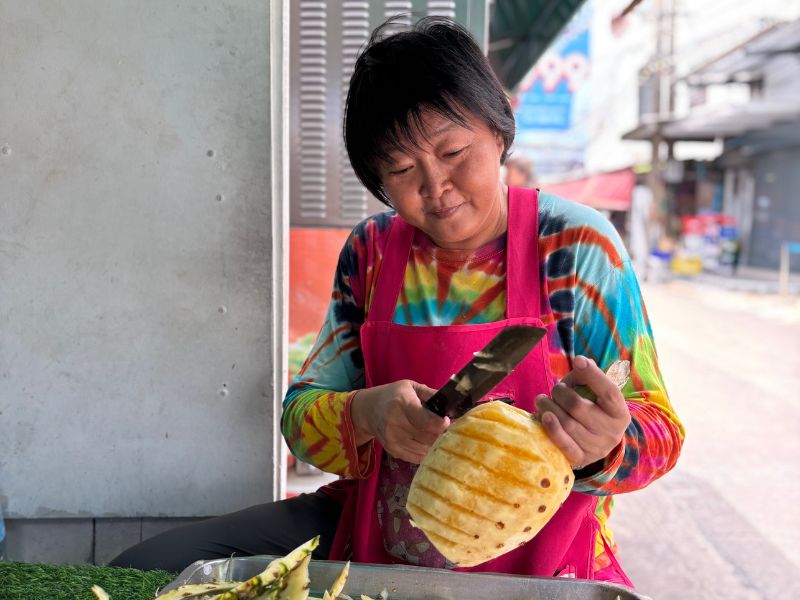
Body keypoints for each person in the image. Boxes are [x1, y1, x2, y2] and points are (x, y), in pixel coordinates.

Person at [111, 17, 684, 585]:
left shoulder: (576, 247)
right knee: (147, 569)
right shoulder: (373, 251)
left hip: (545, 562)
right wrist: (367, 413)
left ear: (499, 131)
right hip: (375, 537)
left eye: (454, 151)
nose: (436, 186)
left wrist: (604, 447)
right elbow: (299, 417)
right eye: (403, 169)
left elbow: (660, 431)